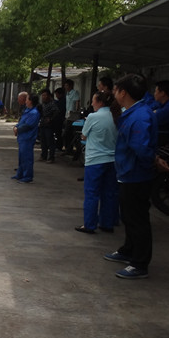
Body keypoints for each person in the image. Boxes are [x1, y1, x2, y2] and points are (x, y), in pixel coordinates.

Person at [104, 74, 157, 279]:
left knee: (137, 219)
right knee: (128, 216)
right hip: (128, 173)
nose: (114, 93)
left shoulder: (140, 116)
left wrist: (151, 162)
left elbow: (141, 149)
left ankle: (140, 263)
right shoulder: (133, 112)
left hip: (136, 175)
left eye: (116, 90)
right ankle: (128, 250)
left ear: (123, 92)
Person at [76, 91, 119, 234]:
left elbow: (84, 135)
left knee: (92, 193)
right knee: (109, 193)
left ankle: (89, 224)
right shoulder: (116, 116)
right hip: (112, 160)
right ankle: (107, 223)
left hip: (95, 160)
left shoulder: (93, 117)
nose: (92, 103)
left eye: (93, 101)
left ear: (100, 102)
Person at [11, 93, 40, 183]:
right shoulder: (27, 110)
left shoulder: (34, 113)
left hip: (28, 138)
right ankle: (20, 174)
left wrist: (18, 129)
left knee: (27, 158)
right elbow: (21, 122)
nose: (25, 101)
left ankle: (27, 176)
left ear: (31, 101)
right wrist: (16, 127)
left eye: (27, 99)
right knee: (22, 157)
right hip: (22, 138)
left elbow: (28, 125)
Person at [38, 89, 60, 163]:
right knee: (43, 141)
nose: (43, 97)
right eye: (42, 95)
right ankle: (43, 156)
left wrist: (51, 119)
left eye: (45, 95)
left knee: (50, 141)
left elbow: (57, 112)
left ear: (49, 96)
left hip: (49, 126)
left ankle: (51, 157)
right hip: (43, 124)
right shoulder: (43, 104)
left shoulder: (52, 104)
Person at [62, 79, 81, 155]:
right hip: (68, 115)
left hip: (73, 116)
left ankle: (74, 149)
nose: (65, 87)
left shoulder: (75, 93)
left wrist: (76, 110)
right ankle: (68, 149)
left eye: (67, 85)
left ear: (70, 86)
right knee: (67, 134)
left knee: (70, 133)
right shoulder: (67, 94)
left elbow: (77, 102)